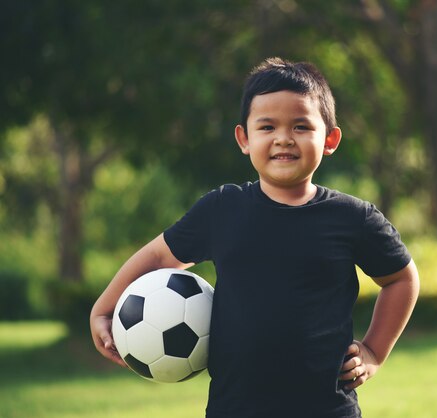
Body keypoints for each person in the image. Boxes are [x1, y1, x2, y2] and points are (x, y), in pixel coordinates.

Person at [90, 57, 420, 418]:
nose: (283, 138)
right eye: (267, 127)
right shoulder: (222, 210)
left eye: (300, 126)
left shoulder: (353, 218)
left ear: (330, 139)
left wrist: (373, 351)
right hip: (236, 409)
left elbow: (401, 278)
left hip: (327, 409)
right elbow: (157, 257)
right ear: (244, 139)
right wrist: (103, 310)